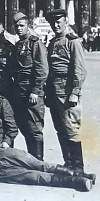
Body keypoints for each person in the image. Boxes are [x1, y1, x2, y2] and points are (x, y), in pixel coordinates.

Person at [45, 9, 89, 176]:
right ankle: (68, 164)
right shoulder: (53, 42)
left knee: (71, 128)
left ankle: (78, 167)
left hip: (67, 90)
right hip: (54, 92)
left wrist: (75, 92)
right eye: (53, 23)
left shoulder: (73, 42)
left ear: (66, 21)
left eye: (59, 21)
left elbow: (79, 69)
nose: (55, 25)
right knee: (60, 129)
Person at [13, 12, 48, 161]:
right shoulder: (18, 44)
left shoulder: (35, 43)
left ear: (29, 26)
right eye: (16, 26)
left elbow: (42, 69)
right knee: (25, 127)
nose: (19, 28)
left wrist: (35, 90)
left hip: (32, 92)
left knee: (34, 128)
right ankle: (33, 161)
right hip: (20, 91)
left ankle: (39, 161)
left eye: (22, 26)